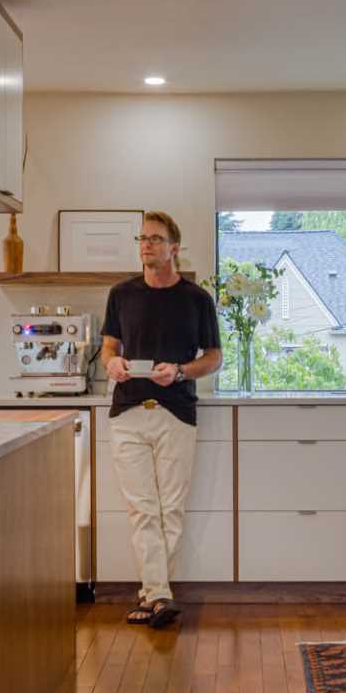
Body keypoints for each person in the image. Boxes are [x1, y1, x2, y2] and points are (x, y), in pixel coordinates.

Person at [100, 211, 222, 628]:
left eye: (156, 238)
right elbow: (108, 348)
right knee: (142, 509)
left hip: (177, 412)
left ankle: (151, 595)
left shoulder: (197, 299)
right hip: (128, 411)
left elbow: (213, 357)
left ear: (175, 248)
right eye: (143, 238)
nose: (147, 245)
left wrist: (181, 371)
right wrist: (113, 364)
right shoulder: (121, 294)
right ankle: (159, 595)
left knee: (170, 509)